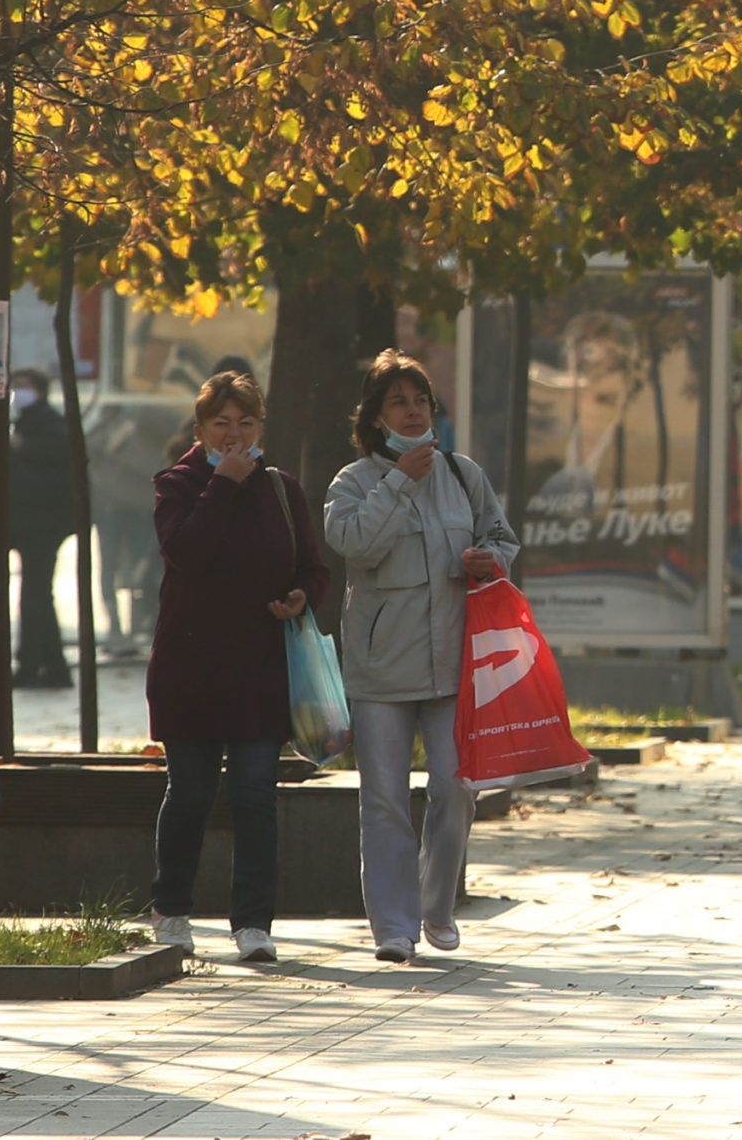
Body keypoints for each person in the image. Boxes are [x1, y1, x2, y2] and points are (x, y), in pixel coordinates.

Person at [323, 350, 520, 964]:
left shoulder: (463, 474)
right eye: (398, 403)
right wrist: (401, 479)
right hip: (382, 667)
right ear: (375, 417)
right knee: (382, 797)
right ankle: (394, 927)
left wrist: (489, 559)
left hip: (453, 659)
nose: (412, 413)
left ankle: (437, 907)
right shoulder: (353, 482)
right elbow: (355, 544)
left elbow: (501, 536)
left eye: (420, 402)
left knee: (454, 785)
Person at [146, 371, 332, 962]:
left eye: (245, 423)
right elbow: (188, 553)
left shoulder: (281, 489)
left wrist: (302, 595)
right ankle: (171, 909)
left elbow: (313, 565)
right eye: (221, 424)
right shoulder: (177, 486)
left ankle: (253, 923)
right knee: (192, 792)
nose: (234, 435)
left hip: (259, 668)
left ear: (260, 427)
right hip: (192, 668)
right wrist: (222, 484)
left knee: (255, 794)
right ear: (200, 431)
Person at [10, 369, 73, 689]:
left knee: (36, 595)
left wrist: (21, 445)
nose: (18, 392)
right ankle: (45, 664)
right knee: (36, 596)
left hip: (42, 525)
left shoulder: (47, 423)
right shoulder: (25, 421)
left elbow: (56, 460)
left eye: (24, 387)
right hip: (28, 524)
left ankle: (37, 664)